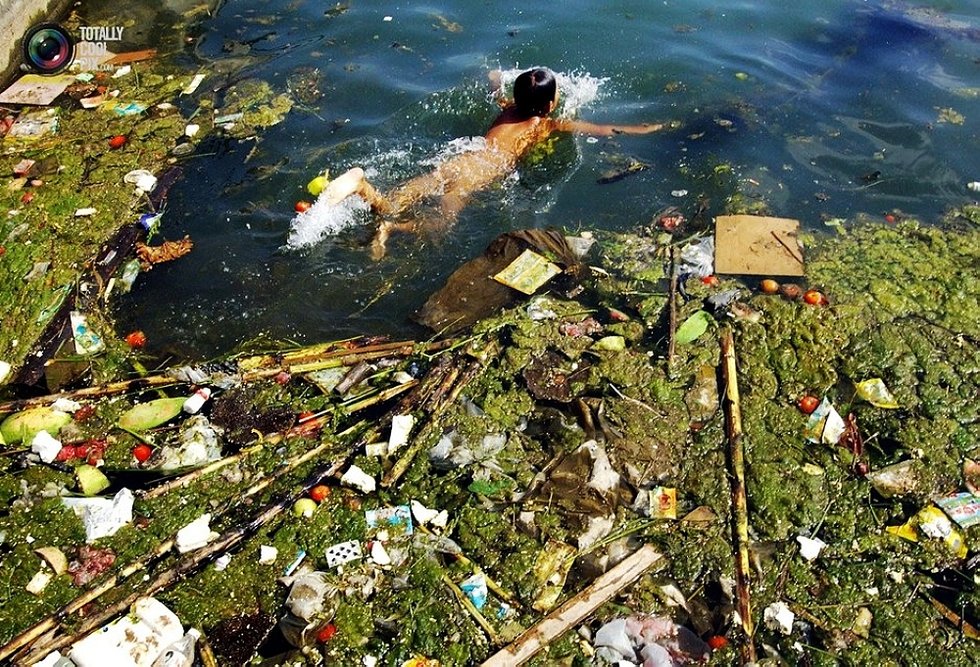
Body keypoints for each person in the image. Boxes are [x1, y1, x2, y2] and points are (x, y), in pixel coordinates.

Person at [323, 67, 664, 258]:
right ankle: (391, 229)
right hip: (473, 178)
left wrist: (494, 76)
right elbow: (603, 129)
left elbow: (493, 84)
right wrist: (645, 128)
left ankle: (362, 186)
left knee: (394, 201)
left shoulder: (506, 108)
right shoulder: (546, 125)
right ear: (549, 105)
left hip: (457, 161)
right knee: (438, 229)